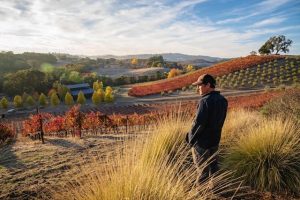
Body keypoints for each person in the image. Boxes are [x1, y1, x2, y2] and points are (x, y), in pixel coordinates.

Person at [186, 74, 228, 183]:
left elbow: (198, 123)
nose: (197, 88)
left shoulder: (204, 101)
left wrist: (190, 139)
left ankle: (200, 194)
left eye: (199, 85)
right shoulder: (223, 100)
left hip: (201, 143)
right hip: (215, 140)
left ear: (208, 85)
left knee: (202, 171)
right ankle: (216, 190)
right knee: (214, 168)